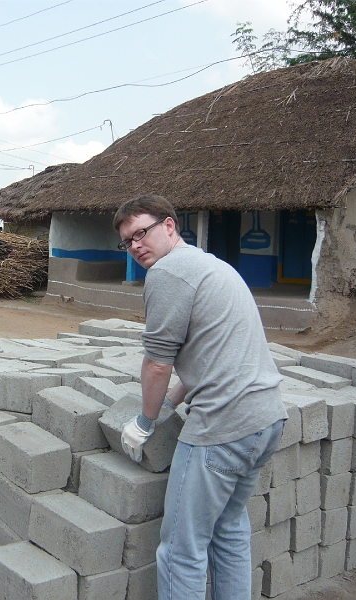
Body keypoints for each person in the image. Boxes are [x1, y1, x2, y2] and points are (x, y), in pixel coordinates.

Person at [114, 194, 287, 600]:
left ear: (170, 226)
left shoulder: (168, 273)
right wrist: (172, 403)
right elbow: (210, 354)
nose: (136, 245)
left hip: (222, 430)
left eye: (142, 232)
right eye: (128, 241)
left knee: (180, 551)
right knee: (228, 531)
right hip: (266, 420)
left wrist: (145, 422)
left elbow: (158, 363)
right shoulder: (212, 266)